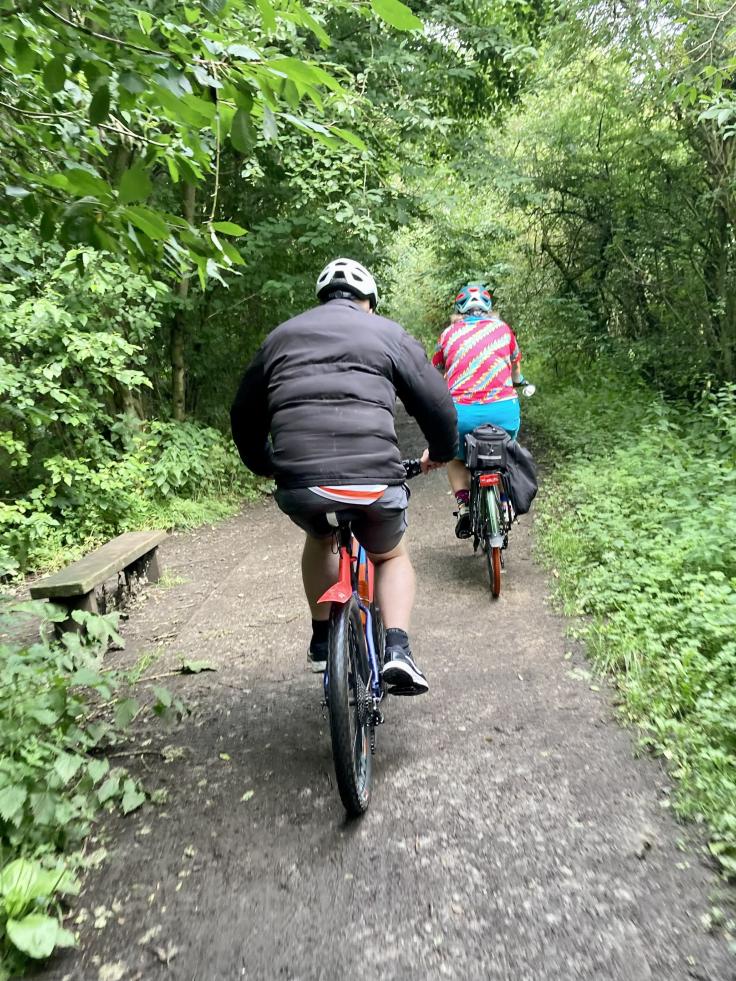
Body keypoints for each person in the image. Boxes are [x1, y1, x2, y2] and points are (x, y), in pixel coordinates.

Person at [230, 258, 457, 695]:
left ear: (322, 300)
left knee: (319, 538)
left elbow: (244, 413)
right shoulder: (387, 332)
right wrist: (442, 453)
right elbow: (437, 403)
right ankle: (398, 649)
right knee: (390, 555)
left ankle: (321, 639)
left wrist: (267, 464)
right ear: (368, 302)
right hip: (374, 481)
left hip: (303, 484)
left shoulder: (281, 337)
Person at [432, 283, 528, 539]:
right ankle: (505, 501)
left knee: (455, 457)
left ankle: (464, 505)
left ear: (460, 309)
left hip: (461, 413)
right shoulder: (503, 330)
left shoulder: (448, 334)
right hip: (503, 411)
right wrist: (517, 379)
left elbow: (437, 370)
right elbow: (515, 368)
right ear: (488, 308)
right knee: (505, 451)